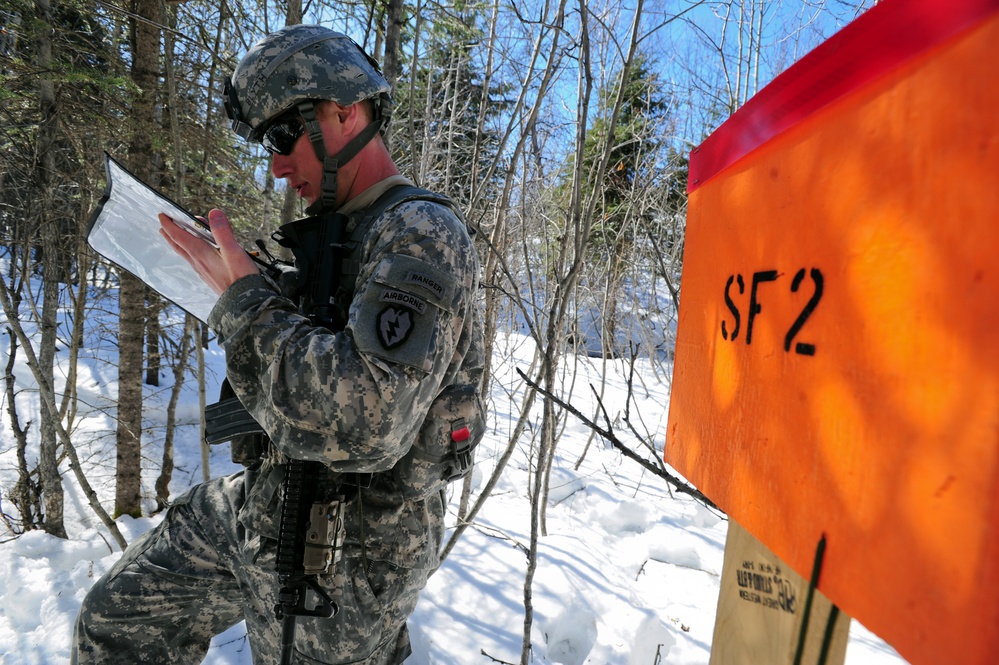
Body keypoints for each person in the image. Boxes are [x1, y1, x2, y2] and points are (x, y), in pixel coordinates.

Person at [73, 24, 485, 665]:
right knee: (117, 620)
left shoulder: (421, 233)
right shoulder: (337, 233)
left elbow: (363, 421)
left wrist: (244, 302)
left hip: (346, 551)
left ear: (345, 111)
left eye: (282, 136)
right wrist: (251, 288)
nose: (274, 163)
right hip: (268, 500)